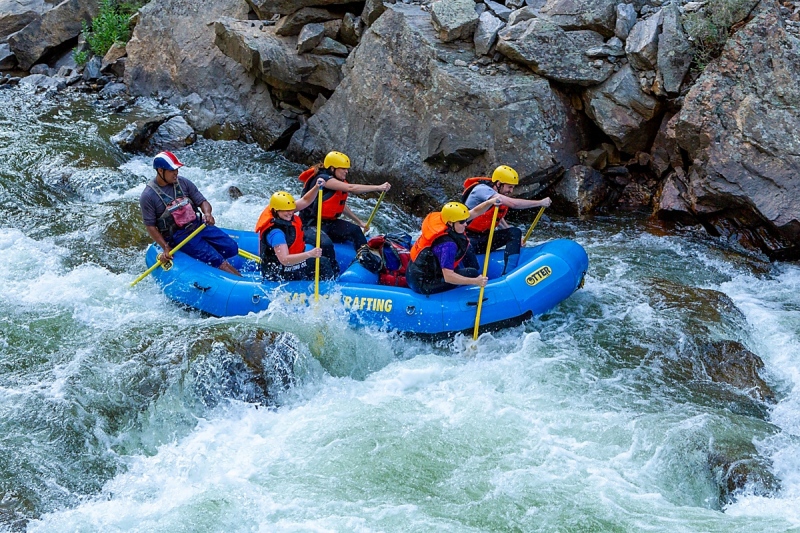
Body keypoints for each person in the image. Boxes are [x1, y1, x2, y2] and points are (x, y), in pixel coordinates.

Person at [140, 151, 241, 276]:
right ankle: (230, 273)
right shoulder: (148, 196)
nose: (176, 173)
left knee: (231, 247)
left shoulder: (183, 182)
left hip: (198, 226)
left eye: (177, 169)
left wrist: (207, 213)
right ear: (160, 171)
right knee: (218, 261)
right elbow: (150, 226)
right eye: (172, 170)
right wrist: (165, 247)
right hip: (179, 236)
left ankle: (206, 259)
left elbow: (202, 201)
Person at [462, 165, 552, 274]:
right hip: (467, 241)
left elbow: (496, 218)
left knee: (514, 232)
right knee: (472, 268)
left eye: (513, 187)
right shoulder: (482, 190)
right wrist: (540, 203)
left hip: (484, 239)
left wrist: (515, 237)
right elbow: (513, 203)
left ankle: (508, 274)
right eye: (509, 187)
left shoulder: (496, 194)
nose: (511, 191)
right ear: (499, 184)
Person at [298, 151, 391, 253]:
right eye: (343, 168)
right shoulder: (323, 179)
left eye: (347, 169)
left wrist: (359, 222)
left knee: (356, 230)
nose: (346, 171)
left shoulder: (338, 180)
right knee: (325, 244)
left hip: (328, 223)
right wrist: (378, 187)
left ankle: (366, 259)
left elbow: (341, 205)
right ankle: (332, 268)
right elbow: (351, 188)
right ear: (332, 168)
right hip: (309, 226)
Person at [406, 199, 499, 295]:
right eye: (462, 222)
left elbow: (475, 212)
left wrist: (489, 202)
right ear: (451, 223)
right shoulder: (448, 245)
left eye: (465, 220)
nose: (466, 224)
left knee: (468, 250)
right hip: (423, 283)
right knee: (472, 273)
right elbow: (448, 277)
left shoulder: (448, 220)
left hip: (418, 272)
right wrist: (475, 281)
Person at [255, 181, 336, 282]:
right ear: (276, 211)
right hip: (277, 271)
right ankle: (330, 289)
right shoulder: (276, 233)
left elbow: (305, 200)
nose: (290, 213)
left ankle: (329, 278)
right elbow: (285, 260)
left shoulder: (283, 212)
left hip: (287, 265)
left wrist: (316, 187)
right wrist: (310, 254)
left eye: (291, 210)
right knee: (321, 263)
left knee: (324, 253)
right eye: (286, 210)